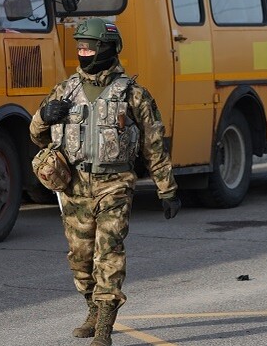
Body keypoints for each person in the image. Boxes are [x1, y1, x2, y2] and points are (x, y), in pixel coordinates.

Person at [29, 18, 182, 346]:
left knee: (108, 252)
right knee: (80, 257)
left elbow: (154, 143)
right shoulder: (65, 89)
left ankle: (104, 328)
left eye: (89, 47)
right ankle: (92, 308)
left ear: (108, 49)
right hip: (73, 186)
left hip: (115, 183)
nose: (83, 53)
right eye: (80, 47)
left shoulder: (133, 93)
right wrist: (45, 115)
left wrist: (166, 189)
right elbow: (36, 135)